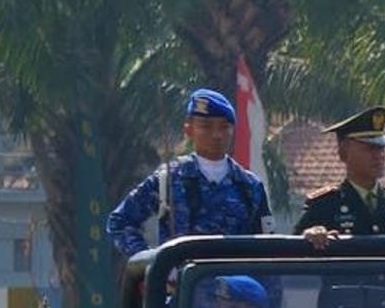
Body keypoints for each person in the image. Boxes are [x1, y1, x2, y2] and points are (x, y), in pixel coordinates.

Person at [107, 88, 273, 256]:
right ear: (189, 129)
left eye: (224, 127)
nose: (216, 135)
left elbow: (268, 247)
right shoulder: (168, 180)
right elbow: (119, 222)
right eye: (206, 126)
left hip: (238, 280)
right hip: (184, 281)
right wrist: (151, 263)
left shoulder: (249, 186)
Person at [295, 106, 385, 240]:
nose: (379, 156)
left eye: (381, 148)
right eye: (370, 148)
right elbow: (293, 252)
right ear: (343, 152)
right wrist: (311, 235)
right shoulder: (323, 205)